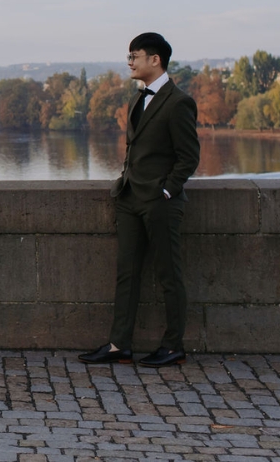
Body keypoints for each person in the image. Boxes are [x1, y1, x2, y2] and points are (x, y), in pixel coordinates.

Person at [80, 33, 200, 368]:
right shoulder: (136, 99)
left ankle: (173, 345)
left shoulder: (178, 102)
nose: (130, 62)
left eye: (135, 56)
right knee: (126, 274)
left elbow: (189, 157)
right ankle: (120, 345)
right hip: (130, 197)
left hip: (159, 201)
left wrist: (166, 191)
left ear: (155, 60)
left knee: (169, 274)